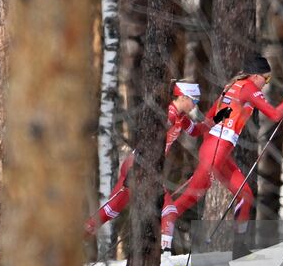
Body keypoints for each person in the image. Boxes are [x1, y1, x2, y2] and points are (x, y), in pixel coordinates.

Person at [162, 56, 283, 258]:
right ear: (255, 76)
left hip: (218, 149)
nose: (266, 83)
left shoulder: (233, 88)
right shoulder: (248, 88)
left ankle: (239, 248)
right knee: (190, 197)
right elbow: (274, 115)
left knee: (245, 194)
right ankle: (162, 243)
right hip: (216, 149)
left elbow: (210, 120)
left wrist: (193, 126)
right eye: (267, 78)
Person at [86, 82, 206, 239]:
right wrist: (135, 168)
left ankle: (80, 235)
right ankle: (166, 254)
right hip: (139, 164)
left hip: (144, 165)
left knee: (111, 210)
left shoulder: (181, 118)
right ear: (183, 97)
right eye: (194, 100)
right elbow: (148, 140)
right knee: (169, 211)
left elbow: (196, 131)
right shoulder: (169, 114)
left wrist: (217, 119)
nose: (195, 105)